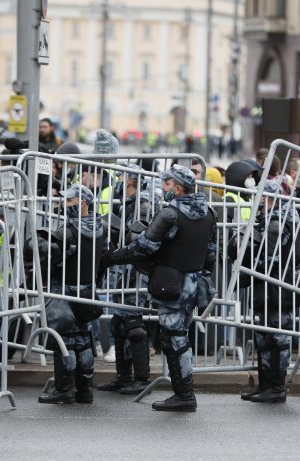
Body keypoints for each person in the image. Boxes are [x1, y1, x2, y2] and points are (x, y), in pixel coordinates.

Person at [99, 164, 217, 412]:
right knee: (179, 336)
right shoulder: (209, 213)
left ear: (178, 187)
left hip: (172, 283)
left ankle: (184, 395)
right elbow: (210, 254)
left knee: (174, 338)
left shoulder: (170, 214)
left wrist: (112, 257)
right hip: (194, 284)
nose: (163, 188)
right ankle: (183, 393)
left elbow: (144, 247)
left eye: (166, 184)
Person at [228, 181, 300, 403]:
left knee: (277, 339)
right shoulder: (269, 221)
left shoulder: (276, 224)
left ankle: (276, 388)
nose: (255, 200)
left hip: (277, 290)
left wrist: (246, 264)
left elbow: (270, 261)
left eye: (258, 196)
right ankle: (265, 385)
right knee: (264, 338)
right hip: (269, 290)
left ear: (266, 198)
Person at [34, 184, 105, 404]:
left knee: (65, 340)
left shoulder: (68, 231)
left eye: (70, 201)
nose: (64, 205)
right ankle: (85, 390)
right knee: (84, 338)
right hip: (87, 290)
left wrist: (40, 243)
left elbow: (48, 256)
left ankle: (64, 389)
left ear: (82, 203)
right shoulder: (101, 227)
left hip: (66, 291)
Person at [97, 169, 159, 395]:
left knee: (133, 323)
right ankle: (123, 377)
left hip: (137, 269)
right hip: (125, 266)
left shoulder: (143, 203)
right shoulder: (128, 202)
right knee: (119, 322)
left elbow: (140, 239)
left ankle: (142, 379)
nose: (117, 182)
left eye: (121, 177)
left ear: (132, 180)